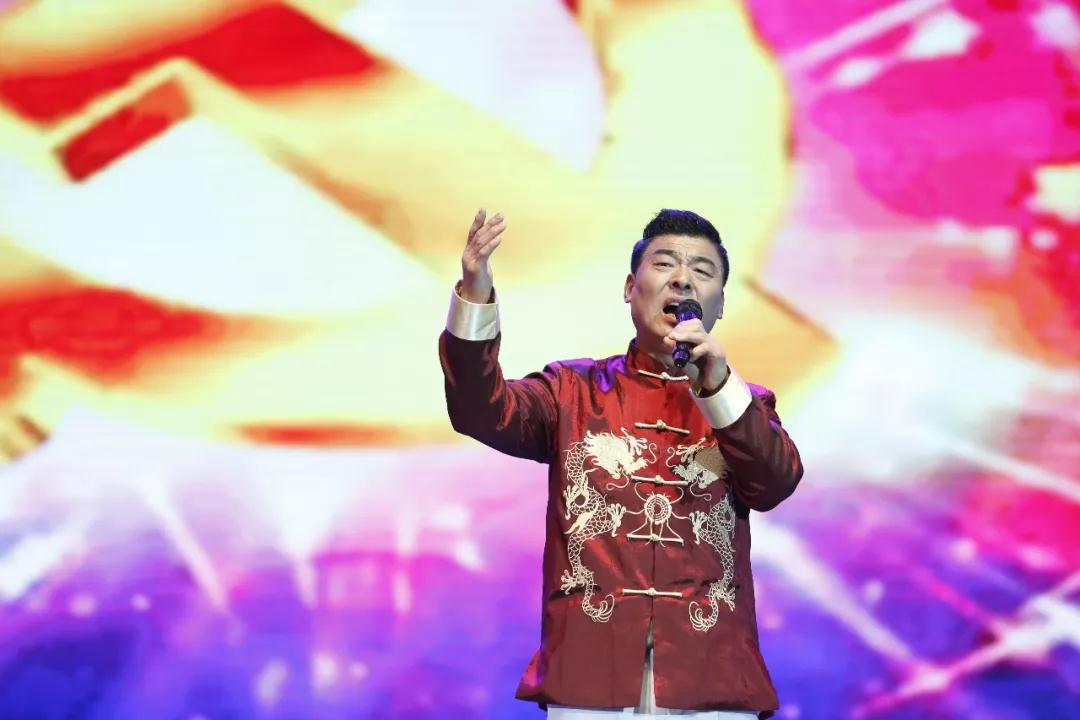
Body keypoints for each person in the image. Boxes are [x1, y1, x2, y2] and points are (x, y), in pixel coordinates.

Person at [439, 208, 804, 719]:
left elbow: (775, 483)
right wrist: (475, 291)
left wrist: (719, 388)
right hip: (589, 684)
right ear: (631, 288)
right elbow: (479, 409)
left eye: (702, 271)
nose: (682, 279)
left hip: (712, 684)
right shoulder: (572, 392)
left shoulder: (744, 405)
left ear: (719, 304)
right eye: (665, 264)